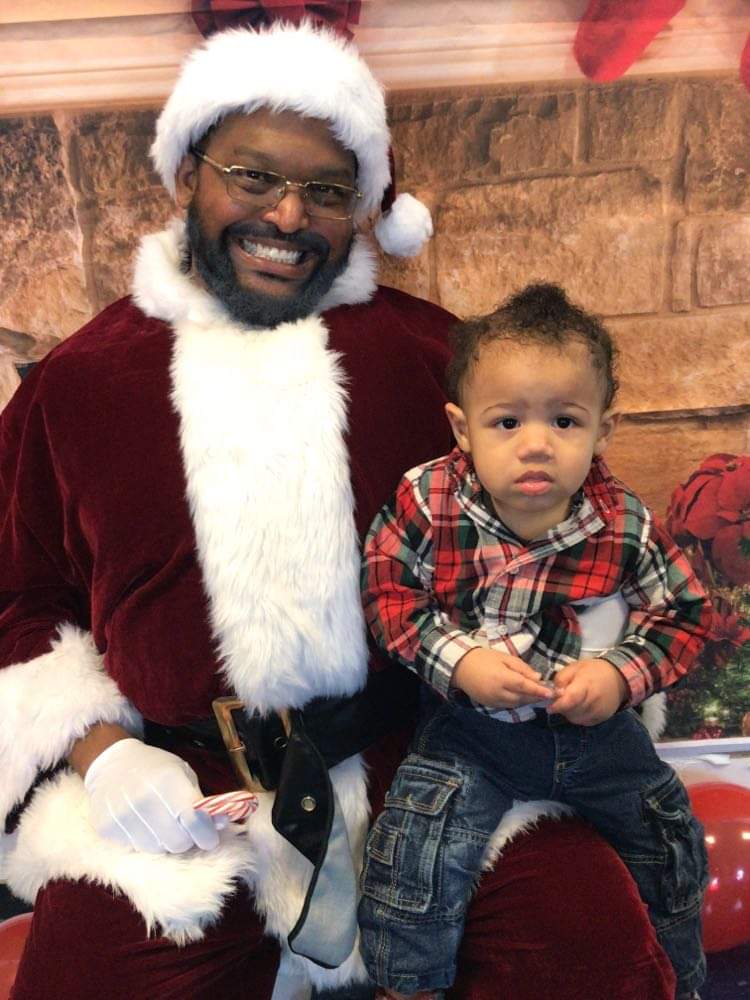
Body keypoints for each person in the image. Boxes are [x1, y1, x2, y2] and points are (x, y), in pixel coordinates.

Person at [0, 18, 676, 1000]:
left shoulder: (439, 362)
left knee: (588, 942)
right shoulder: (75, 386)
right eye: (252, 174)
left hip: (432, 760)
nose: (286, 214)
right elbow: (21, 601)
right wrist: (107, 761)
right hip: (191, 792)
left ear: (363, 206)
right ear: (189, 172)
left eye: (325, 189)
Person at [358, 282, 713, 1000]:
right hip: (473, 730)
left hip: (594, 733)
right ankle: (407, 986)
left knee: (668, 832)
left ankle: (682, 975)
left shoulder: (622, 523)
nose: (536, 445)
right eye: (507, 422)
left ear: (602, 432)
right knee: (420, 849)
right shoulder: (428, 501)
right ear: (462, 429)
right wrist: (462, 661)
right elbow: (388, 596)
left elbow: (683, 613)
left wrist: (619, 676)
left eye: (564, 421)